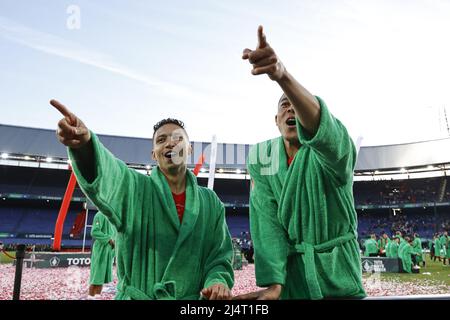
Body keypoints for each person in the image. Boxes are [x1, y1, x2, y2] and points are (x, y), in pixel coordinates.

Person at [50, 100, 234, 300]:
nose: (170, 143)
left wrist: (218, 280)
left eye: (178, 138)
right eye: (161, 140)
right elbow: (111, 176)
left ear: (189, 149)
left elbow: (219, 254)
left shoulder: (210, 202)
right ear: (154, 154)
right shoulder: (135, 188)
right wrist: (85, 146)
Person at [235, 26, 366, 300]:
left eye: (295, 104)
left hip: (338, 278)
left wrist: (282, 77)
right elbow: (265, 220)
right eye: (284, 105)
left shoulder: (330, 153)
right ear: (276, 120)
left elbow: (326, 132)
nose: (290, 109)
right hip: (291, 284)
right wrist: (273, 283)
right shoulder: (262, 157)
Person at [89, 211, 116, 298]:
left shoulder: (113, 216)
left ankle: (97, 298)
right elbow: (94, 231)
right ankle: (90, 297)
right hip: (101, 249)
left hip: (109, 251)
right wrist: (109, 239)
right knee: (95, 279)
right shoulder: (100, 214)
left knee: (101, 280)